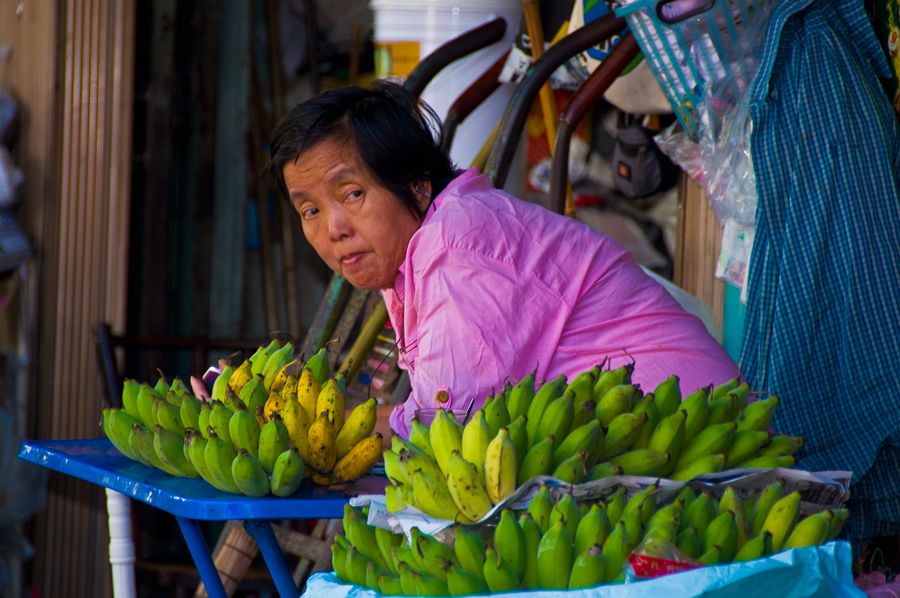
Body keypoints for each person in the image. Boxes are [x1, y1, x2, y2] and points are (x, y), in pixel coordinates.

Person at [269, 80, 739, 438]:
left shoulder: (457, 245)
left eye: (352, 194)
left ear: (416, 184)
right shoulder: (422, 255)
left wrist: (322, 428)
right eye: (310, 209)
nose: (332, 229)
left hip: (704, 444)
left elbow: (449, 421)